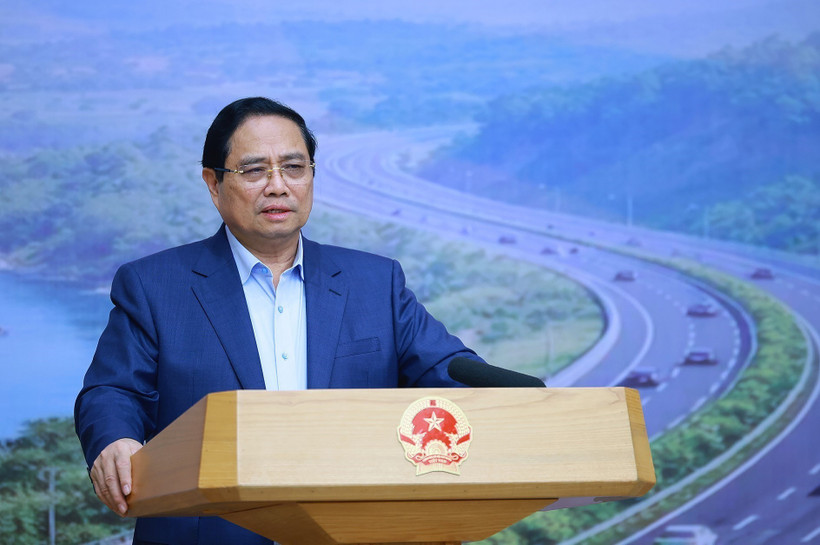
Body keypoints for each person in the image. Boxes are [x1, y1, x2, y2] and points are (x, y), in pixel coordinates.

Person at [74, 97, 483, 545]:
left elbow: (451, 373)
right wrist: (114, 441)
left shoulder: (374, 283)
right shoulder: (154, 286)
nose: (277, 186)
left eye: (293, 167)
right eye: (254, 171)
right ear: (213, 183)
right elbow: (112, 391)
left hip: (353, 532)